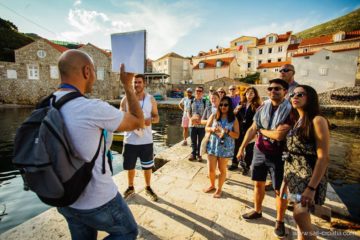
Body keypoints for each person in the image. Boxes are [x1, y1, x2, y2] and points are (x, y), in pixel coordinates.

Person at [56, 49, 143, 239]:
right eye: (94, 71)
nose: (94, 76)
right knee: (128, 231)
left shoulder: (46, 104)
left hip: (64, 199)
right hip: (97, 199)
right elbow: (137, 121)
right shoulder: (91, 108)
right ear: (87, 72)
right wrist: (127, 85)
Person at [237, 79, 292, 238]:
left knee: (279, 190)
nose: (273, 91)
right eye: (270, 88)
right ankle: (257, 210)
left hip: (280, 155)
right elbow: (253, 128)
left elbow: (280, 135)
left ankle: (280, 221)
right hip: (260, 151)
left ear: (285, 92)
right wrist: (241, 147)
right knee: (258, 184)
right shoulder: (262, 107)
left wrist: (262, 131)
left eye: (277, 89)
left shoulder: (290, 111)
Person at [282, 85, 330, 240]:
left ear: (310, 98)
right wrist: (285, 181)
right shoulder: (298, 120)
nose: (295, 97)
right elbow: (292, 152)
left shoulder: (318, 120)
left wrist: (311, 188)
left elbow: (323, 157)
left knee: (299, 213)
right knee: (301, 216)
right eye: (293, 94)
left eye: (300, 94)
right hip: (294, 176)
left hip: (309, 176)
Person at [120, 74, 160, 202]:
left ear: (144, 84)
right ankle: (130, 187)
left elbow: (157, 117)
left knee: (147, 167)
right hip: (130, 140)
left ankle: (148, 187)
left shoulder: (151, 99)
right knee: (130, 167)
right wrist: (128, 120)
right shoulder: (125, 100)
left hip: (146, 141)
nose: (136, 85)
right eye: (134, 82)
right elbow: (120, 118)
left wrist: (150, 120)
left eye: (139, 82)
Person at [203, 96, 239, 198]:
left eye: (226, 105)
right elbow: (206, 128)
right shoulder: (214, 116)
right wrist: (213, 129)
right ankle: (212, 185)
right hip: (213, 146)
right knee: (211, 169)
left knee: (222, 169)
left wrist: (226, 131)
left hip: (226, 147)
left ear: (229, 106)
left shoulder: (233, 119)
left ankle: (219, 189)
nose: (223, 106)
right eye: (221, 104)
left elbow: (237, 135)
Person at [228, 87, 261, 173]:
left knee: (249, 149)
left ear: (255, 95)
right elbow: (234, 115)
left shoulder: (256, 105)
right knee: (237, 147)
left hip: (250, 130)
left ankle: (246, 166)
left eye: (251, 93)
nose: (249, 95)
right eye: (248, 93)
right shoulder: (241, 103)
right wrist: (236, 110)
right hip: (239, 129)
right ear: (245, 94)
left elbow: (257, 119)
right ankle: (234, 163)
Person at [188, 86, 206, 161]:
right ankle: (193, 154)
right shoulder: (191, 101)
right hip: (193, 125)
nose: (198, 92)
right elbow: (188, 112)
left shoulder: (205, 101)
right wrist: (191, 119)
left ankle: (199, 155)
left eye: (200, 91)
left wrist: (201, 120)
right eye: (197, 91)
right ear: (195, 92)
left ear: (202, 93)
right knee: (193, 140)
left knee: (201, 141)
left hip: (201, 125)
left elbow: (206, 113)